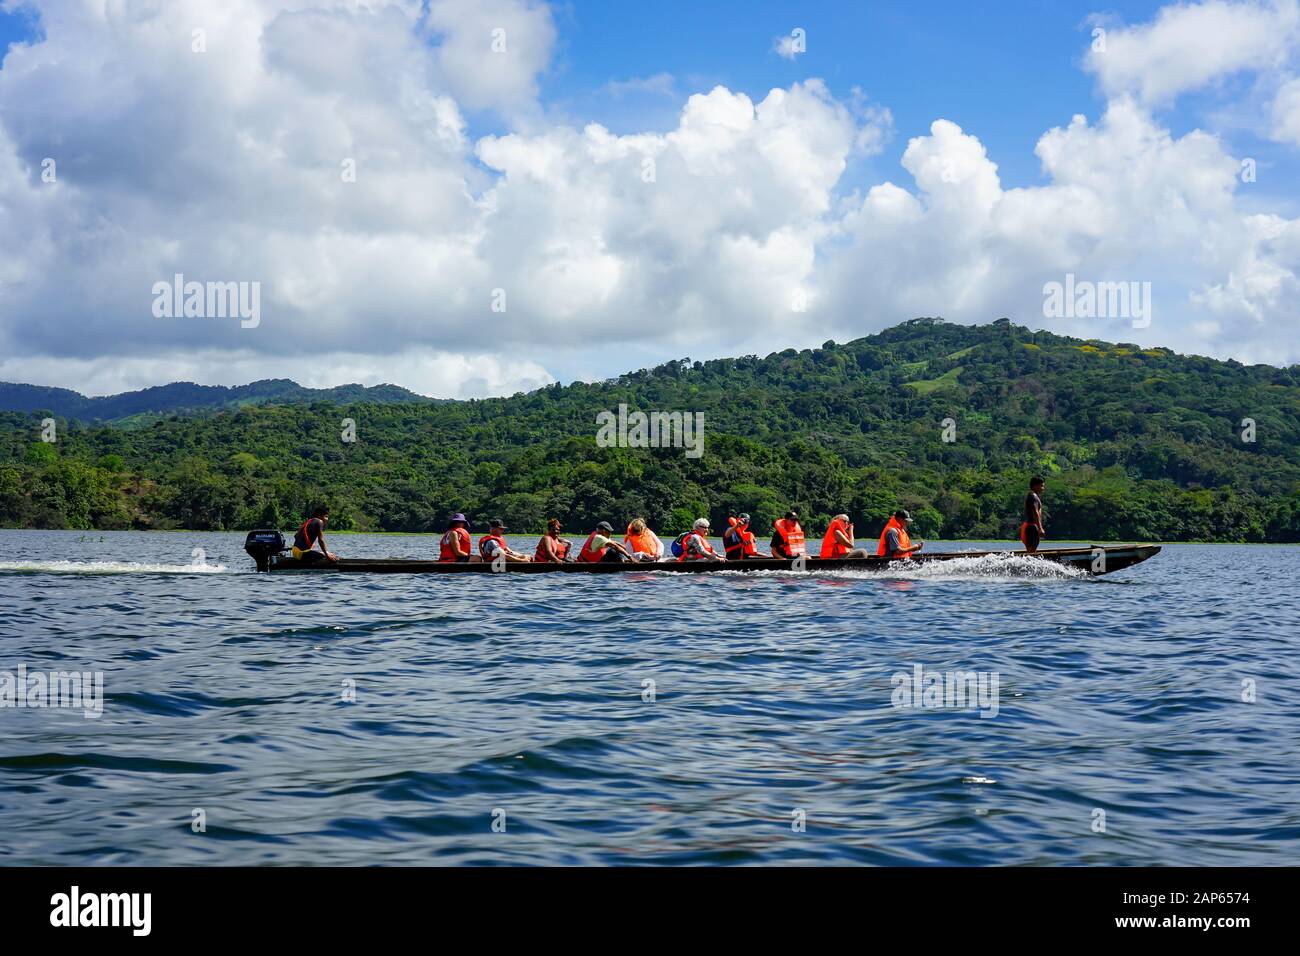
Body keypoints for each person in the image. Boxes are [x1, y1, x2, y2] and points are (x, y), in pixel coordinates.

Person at [1021, 476, 1046, 554]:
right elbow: (1035, 513)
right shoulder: (1033, 496)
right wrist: (1040, 528)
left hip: (1029, 526)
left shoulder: (1032, 496)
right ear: (1035, 486)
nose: (1043, 488)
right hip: (1031, 527)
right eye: (1041, 486)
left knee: (1031, 552)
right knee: (1031, 552)